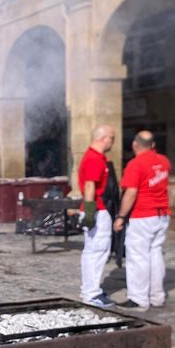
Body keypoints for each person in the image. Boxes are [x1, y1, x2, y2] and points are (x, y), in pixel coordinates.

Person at [113, 130, 171, 311]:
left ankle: (138, 299)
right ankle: (157, 296)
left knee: (137, 256)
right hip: (162, 214)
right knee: (155, 253)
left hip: (143, 215)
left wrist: (121, 216)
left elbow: (131, 192)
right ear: (153, 145)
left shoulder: (135, 164)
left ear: (135, 145)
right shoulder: (164, 161)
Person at [78, 124, 116, 308]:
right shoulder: (94, 159)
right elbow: (90, 186)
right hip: (97, 209)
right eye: (112, 138)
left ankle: (90, 290)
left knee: (93, 251)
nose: (113, 142)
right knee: (97, 251)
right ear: (104, 138)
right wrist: (91, 212)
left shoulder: (95, 157)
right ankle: (91, 293)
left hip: (96, 209)